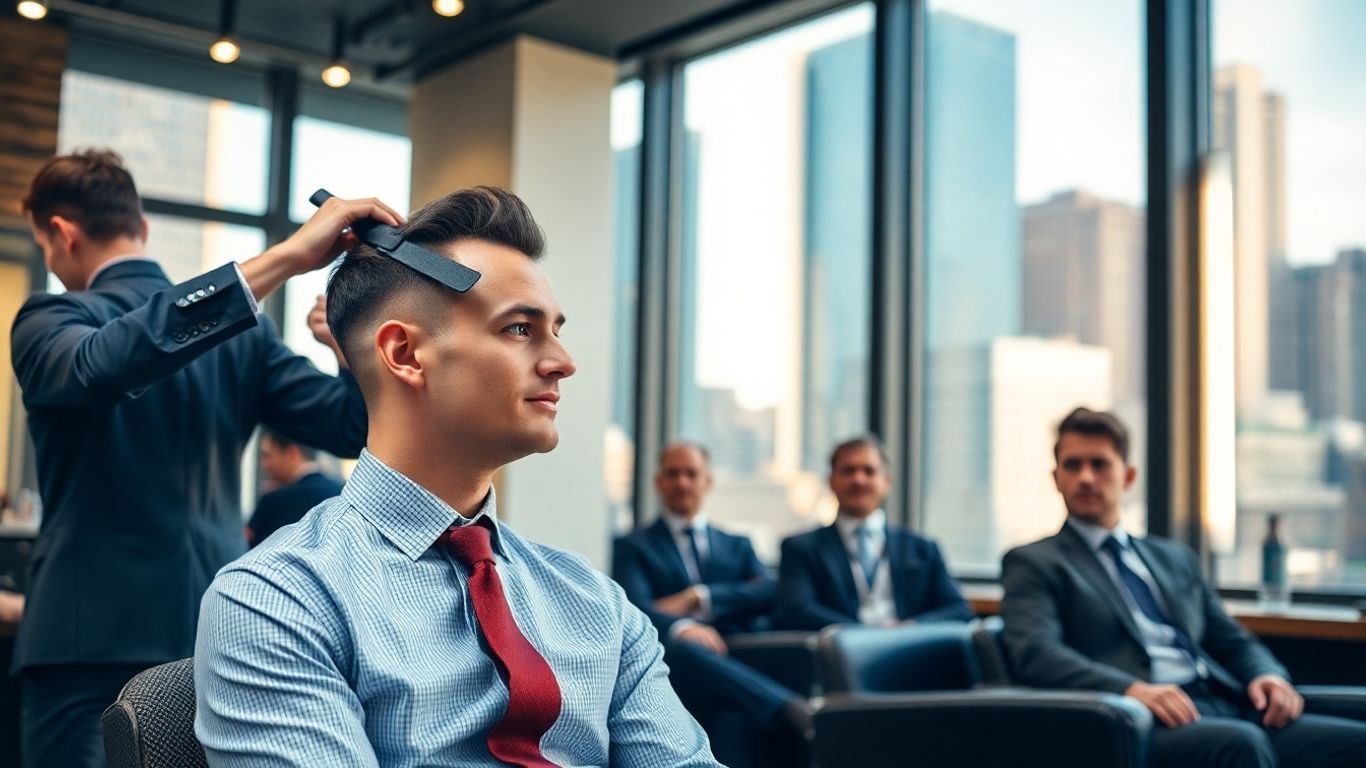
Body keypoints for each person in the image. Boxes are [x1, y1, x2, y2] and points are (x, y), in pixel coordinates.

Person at [194, 186, 719, 766]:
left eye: (556, 331)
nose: (562, 363)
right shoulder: (278, 600)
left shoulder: (597, 605)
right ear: (405, 354)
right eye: (519, 329)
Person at [11, 149, 390, 768]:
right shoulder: (243, 335)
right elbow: (358, 425)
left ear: (61, 233)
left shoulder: (49, 317)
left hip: (84, 644)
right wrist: (349, 358)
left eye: (45, 247)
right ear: (142, 226)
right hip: (210, 633)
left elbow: (352, 431)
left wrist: (299, 274)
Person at [1000, 407, 1366, 767]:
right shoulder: (1034, 562)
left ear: (1128, 476)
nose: (1085, 477)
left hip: (1225, 701)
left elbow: (1232, 640)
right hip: (1138, 720)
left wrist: (1267, 675)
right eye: (1072, 465)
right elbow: (1037, 653)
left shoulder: (1173, 558)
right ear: (1056, 478)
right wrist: (1130, 689)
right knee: (1242, 744)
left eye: (1099, 464)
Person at [613, 441, 807, 767]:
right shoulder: (633, 547)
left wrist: (700, 597)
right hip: (672, 664)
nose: (682, 482)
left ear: (708, 481)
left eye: (691, 474)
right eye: (673, 474)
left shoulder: (736, 544)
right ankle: (788, 708)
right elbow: (635, 608)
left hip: (732, 661)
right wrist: (683, 627)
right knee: (688, 650)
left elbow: (769, 592)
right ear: (659, 481)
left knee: (732, 719)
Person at [774, 435, 972, 630]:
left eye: (869, 471)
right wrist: (865, 636)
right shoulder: (800, 548)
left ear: (886, 482)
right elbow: (795, 611)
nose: (858, 479)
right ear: (831, 481)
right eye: (848, 471)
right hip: (839, 648)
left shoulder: (922, 549)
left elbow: (958, 609)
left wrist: (910, 629)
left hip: (909, 646)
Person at [245, 430, 344, 547]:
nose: (264, 465)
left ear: (292, 453)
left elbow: (251, 548)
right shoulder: (341, 492)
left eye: (267, 456)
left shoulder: (275, 500)